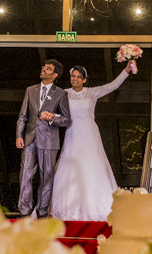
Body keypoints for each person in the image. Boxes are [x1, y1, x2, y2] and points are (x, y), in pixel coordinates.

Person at [50, 60, 137, 221]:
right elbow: (56, 111)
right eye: (73, 76)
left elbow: (112, 86)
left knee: (92, 168)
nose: (75, 79)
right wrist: (50, 117)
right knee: (71, 169)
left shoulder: (92, 92)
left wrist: (126, 71)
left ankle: (98, 208)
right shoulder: (64, 93)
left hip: (90, 135)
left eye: (79, 77)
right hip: (73, 134)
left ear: (84, 80)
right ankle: (71, 210)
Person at [16, 59, 72, 217]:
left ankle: (41, 212)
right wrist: (19, 136)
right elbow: (22, 116)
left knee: (46, 177)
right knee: (25, 175)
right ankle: (24, 211)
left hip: (49, 141)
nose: (43, 69)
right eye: (43, 67)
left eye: (48, 68)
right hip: (29, 139)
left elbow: (66, 120)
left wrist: (52, 118)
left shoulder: (60, 93)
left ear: (55, 75)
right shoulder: (30, 90)